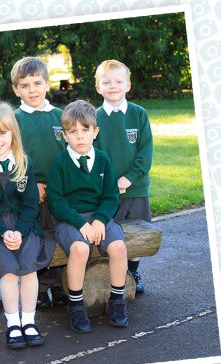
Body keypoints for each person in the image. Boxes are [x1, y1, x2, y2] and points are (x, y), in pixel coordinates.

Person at [0, 103, 52, 349]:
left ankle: (28, 320)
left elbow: (30, 204)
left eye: (2, 133)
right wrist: (4, 232)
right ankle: (12, 323)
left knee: (27, 269)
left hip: (24, 227)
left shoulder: (23, 163)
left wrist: (19, 230)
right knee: (8, 270)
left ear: (13, 134)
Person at [46, 100, 129, 334]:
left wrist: (100, 219)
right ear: (64, 135)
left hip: (100, 216)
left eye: (85, 130)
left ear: (95, 132)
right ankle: (76, 305)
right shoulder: (60, 163)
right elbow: (56, 200)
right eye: (73, 132)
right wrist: (81, 222)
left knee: (118, 247)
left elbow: (111, 195)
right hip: (70, 219)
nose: (79, 137)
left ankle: (117, 300)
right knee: (80, 250)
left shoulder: (102, 159)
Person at [11, 56, 68, 308]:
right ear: (16, 90)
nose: (32, 90)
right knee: (37, 237)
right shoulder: (14, 120)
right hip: (30, 191)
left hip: (60, 190)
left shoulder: (61, 116)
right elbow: (13, 156)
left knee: (59, 233)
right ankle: (41, 287)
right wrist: (33, 185)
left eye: (37, 83)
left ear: (47, 84)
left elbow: (69, 154)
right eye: (24, 85)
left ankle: (59, 284)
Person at [94, 59, 153, 294]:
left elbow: (145, 151)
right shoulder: (95, 117)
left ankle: (133, 270)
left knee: (138, 235)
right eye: (106, 82)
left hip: (136, 188)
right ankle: (114, 273)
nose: (113, 86)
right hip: (109, 192)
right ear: (98, 87)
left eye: (119, 81)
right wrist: (108, 182)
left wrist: (130, 177)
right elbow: (94, 154)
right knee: (113, 233)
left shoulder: (139, 114)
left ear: (128, 85)